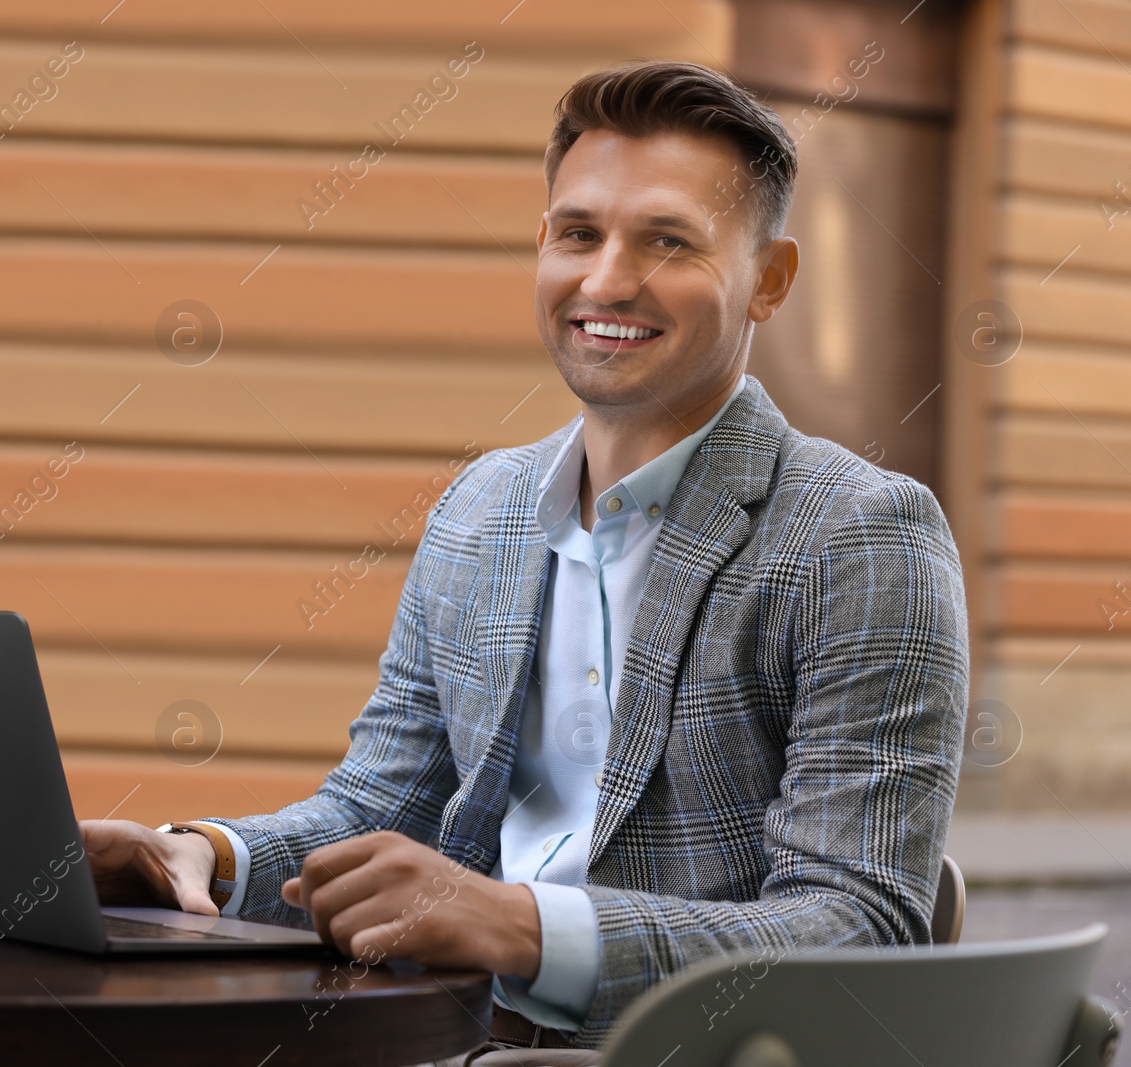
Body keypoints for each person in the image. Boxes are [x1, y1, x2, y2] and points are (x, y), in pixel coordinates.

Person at [80, 59, 969, 1062]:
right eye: (578, 233)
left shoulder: (860, 533)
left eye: (667, 240)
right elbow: (379, 807)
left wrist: (527, 927)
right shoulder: (481, 509)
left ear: (767, 280)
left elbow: (860, 927)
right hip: (451, 1037)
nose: (605, 279)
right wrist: (202, 856)